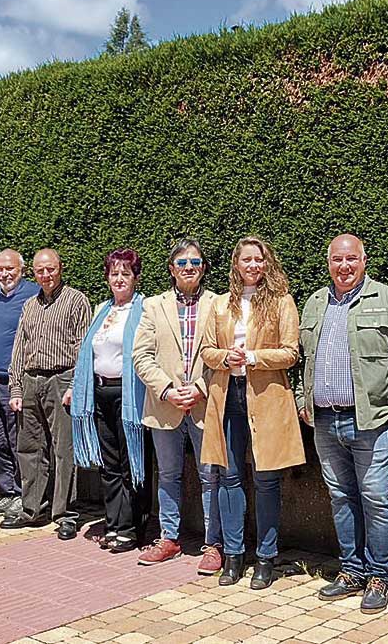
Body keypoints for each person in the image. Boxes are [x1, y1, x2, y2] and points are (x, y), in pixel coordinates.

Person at [298, 234, 388, 614]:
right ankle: (352, 570)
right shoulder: (316, 302)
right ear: (329, 263)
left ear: (364, 261)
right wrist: (303, 399)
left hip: (371, 420)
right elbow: (303, 358)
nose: (344, 266)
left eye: (351, 259)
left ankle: (381, 576)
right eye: (337, 259)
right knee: (341, 497)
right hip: (325, 420)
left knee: (377, 499)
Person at [201, 236, 305, 589]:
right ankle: (232, 556)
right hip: (227, 394)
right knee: (228, 477)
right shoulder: (219, 304)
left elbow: (291, 352)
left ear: (267, 263)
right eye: (247, 260)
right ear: (237, 264)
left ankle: (265, 557)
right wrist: (224, 357)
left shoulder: (281, 301)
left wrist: (254, 357)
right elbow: (207, 351)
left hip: (266, 396)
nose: (253, 266)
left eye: (259, 260)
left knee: (265, 480)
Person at [133, 239, 223, 574]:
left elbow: (223, 354)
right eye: (182, 263)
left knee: (210, 476)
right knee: (168, 475)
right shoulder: (154, 306)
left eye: (195, 263)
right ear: (172, 269)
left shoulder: (218, 304)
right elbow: (141, 356)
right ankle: (169, 538)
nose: (189, 269)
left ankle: (214, 544)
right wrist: (168, 390)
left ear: (203, 268)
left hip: (205, 403)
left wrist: (199, 388)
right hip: (165, 403)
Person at [2, 249, 92, 539]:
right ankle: (32, 509)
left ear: (60, 269)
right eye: (40, 271)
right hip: (30, 380)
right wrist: (15, 387)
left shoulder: (76, 300)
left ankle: (67, 513)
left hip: (61, 378)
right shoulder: (29, 304)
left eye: (51, 269)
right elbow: (20, 347)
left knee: (64, 449)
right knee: (29, 448)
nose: (46, 275)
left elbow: (83, 347)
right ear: (34, 274)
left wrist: (75, 386)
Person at [66, 249, 153, 552]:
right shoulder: (101, 308)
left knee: (132, 464)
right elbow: (88, 354)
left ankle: (131, 528)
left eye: (125, 273)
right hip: (99, 393)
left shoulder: (144, 309)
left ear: (136, 278)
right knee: (109, 464)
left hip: (129, 396)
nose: (119, 279)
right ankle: (114, 523)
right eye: (114, 273)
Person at [0, 249, 40, 519]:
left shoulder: (32, 295)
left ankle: (23, 492)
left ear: (22, 270)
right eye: (0, 269)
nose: (4, 274)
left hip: (16, 382)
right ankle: (8, 492)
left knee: (19, 440)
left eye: (10, 269)